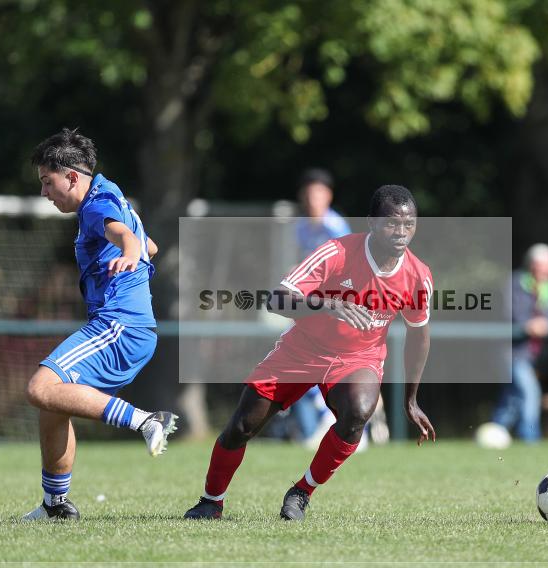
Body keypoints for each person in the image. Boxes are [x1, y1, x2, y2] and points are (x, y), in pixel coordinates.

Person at [184, 185, 435, 521]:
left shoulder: (418, 276)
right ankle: (211, 501)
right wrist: (327, 304)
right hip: (302, 351)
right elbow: (276, 300)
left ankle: (301, 493)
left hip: (358, 358)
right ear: (372, 223)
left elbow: (419, 337)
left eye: (409, 224)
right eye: (392, 224)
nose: (401, 233)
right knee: (242, 427)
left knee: (359, 412)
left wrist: (411, 399)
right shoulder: (336, 252)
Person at [22, 128, 178, 521]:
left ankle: (146, 419)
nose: (45, 192)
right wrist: (134, 250)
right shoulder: (111, 194)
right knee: (53, 404)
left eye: (47, 181)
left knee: (40, 388)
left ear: (72, 177)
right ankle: (55, 505)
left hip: (118, 326)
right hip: (134, 329)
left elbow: (126, 236)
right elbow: (149, 244)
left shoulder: (95, 207)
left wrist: (128, 252)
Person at [287, 169, 351, 443]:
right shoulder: (300, 227)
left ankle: (342, 416)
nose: (314, 198)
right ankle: (323, 412)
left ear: (328, 196)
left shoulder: (336, 227)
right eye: (310, 193)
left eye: (319, 193)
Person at [491, 244, 548, 443]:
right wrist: (527, 326)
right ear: (530, 265)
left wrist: (547, 324)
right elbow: (505, 314)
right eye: (539, 266)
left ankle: (492, 434)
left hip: (535, 356)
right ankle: (530, 440)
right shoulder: (513, 283)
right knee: (530, 391)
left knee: (512, 400)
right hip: (511, 352)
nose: (543, 271)